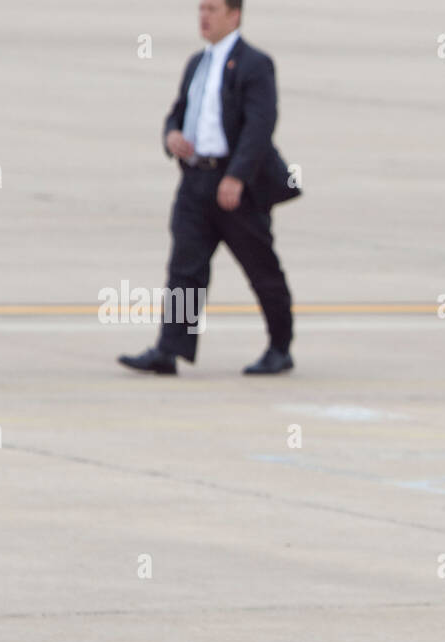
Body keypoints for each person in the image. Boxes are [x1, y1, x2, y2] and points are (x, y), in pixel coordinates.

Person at [118, 0, 300, 377]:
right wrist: (171, 134)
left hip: (235, 186)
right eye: (201, 8)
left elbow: (260, 126)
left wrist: (237, 176)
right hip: (195, 183)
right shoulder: (196, 64)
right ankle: (170, 350)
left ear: (234, 16)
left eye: (212, 9)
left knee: (261, 268)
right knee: (185, 270)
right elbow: (179, 110)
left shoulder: (254, 64)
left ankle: (280, 347)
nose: (203, 16)